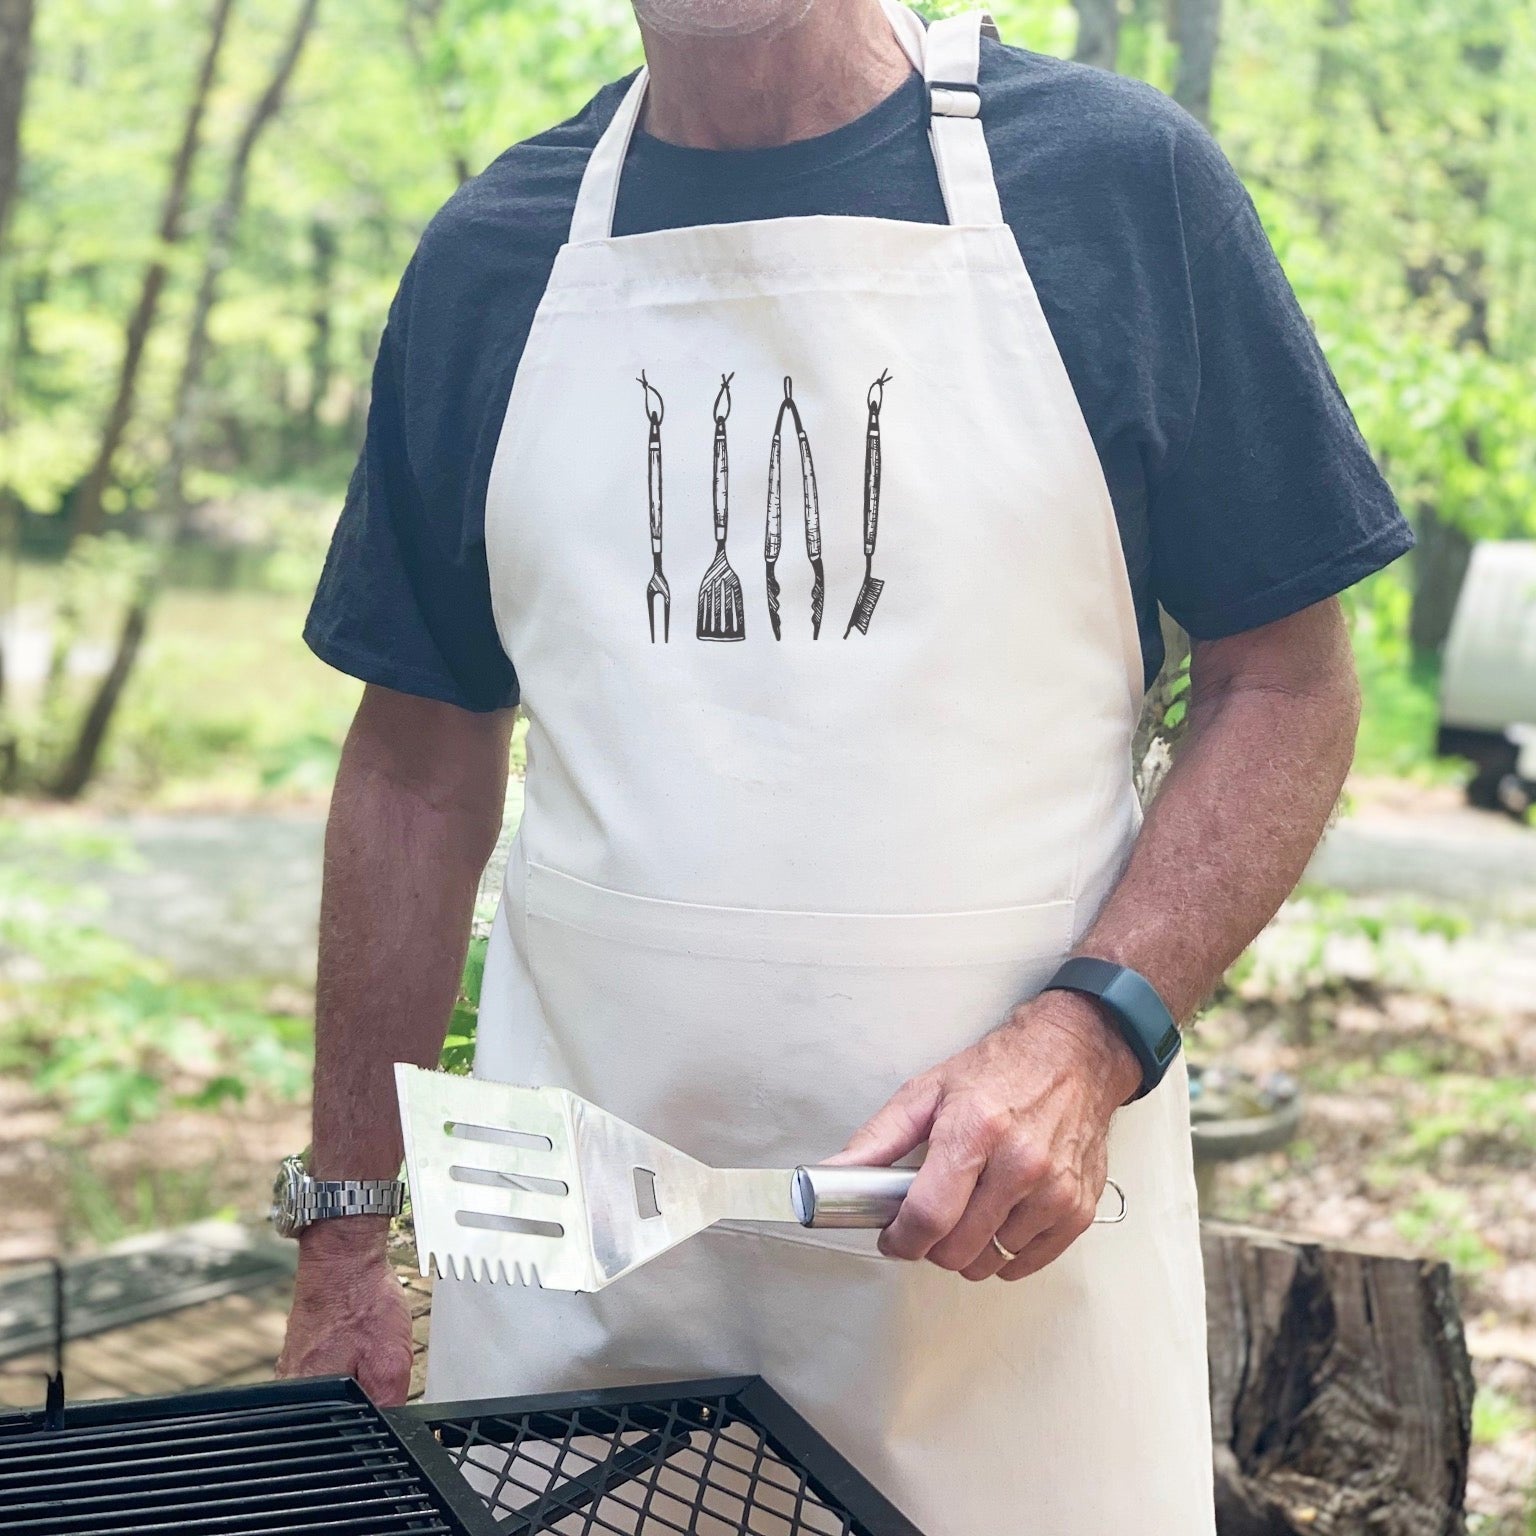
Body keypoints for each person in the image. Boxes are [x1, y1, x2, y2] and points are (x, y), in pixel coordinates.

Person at [274, 0, 1412, 1529]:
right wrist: (344, 1231)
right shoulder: (495, 256)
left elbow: (1287, 683)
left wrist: (1091, 1035)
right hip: (579, 1306)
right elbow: (415, 765)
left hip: (1006, 1301)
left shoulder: (1117, 189)